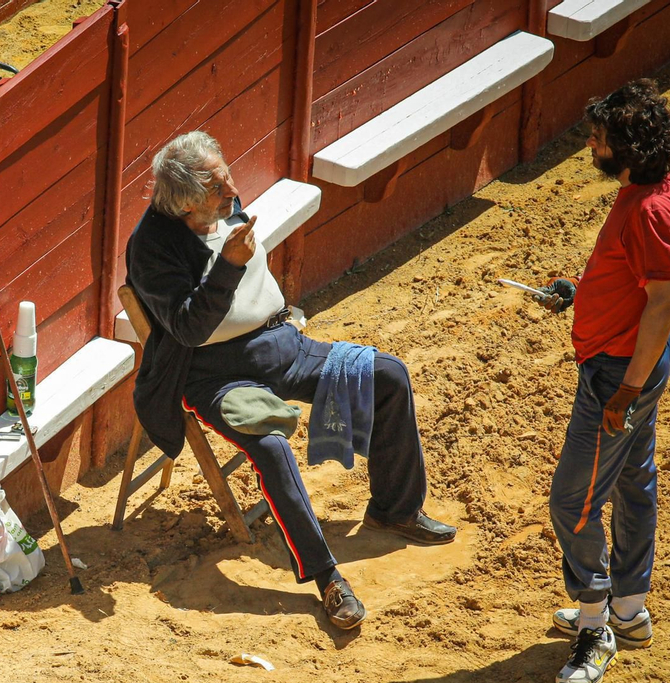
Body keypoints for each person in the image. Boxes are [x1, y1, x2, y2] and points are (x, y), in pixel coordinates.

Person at [124, 131, 455, 630]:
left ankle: (396, 510)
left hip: (283, 346)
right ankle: (327, 578)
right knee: (272, 447)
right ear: (188, 204)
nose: (233, 190)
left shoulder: (226, 204)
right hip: (216, 375)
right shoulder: (151, 247)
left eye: (227, 174)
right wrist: (229, 268)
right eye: (218, 187)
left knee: (388, 376)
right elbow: (190, 328)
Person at [537, 79, 670, 683]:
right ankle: (629, 610)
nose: (591, 148)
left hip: (617, 374)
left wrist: (625, 392)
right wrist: (578, 294)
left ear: (625, 146)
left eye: (599, 140)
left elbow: (661, 305)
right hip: (623, 363)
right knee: (632, 480)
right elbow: (633, 285)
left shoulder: (650, 208)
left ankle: (597, 625)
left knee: (572, 501)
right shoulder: (647, 193)